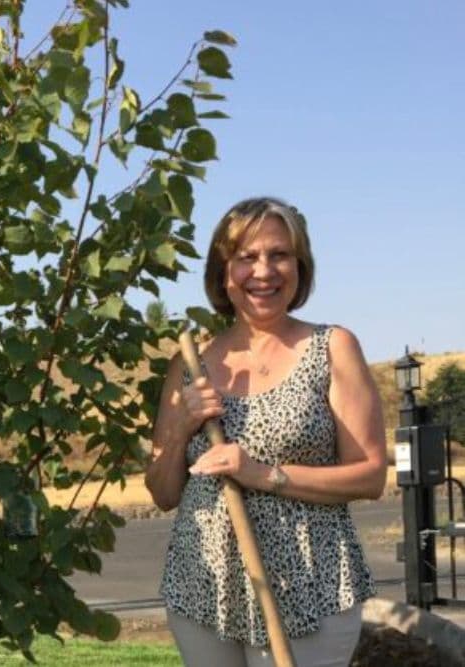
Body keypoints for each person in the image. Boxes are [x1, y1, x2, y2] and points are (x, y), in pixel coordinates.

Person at [145, 197, 386, 666]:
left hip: (311, 587)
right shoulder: (189, 364)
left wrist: (260, 473)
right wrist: (181, 427)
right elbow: (161, 491)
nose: (264, 271)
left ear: (300, 266)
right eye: (246, 258)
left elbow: (370, 476)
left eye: (279, 254)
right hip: (204, 587)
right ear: (223, 271)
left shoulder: (332, 347)